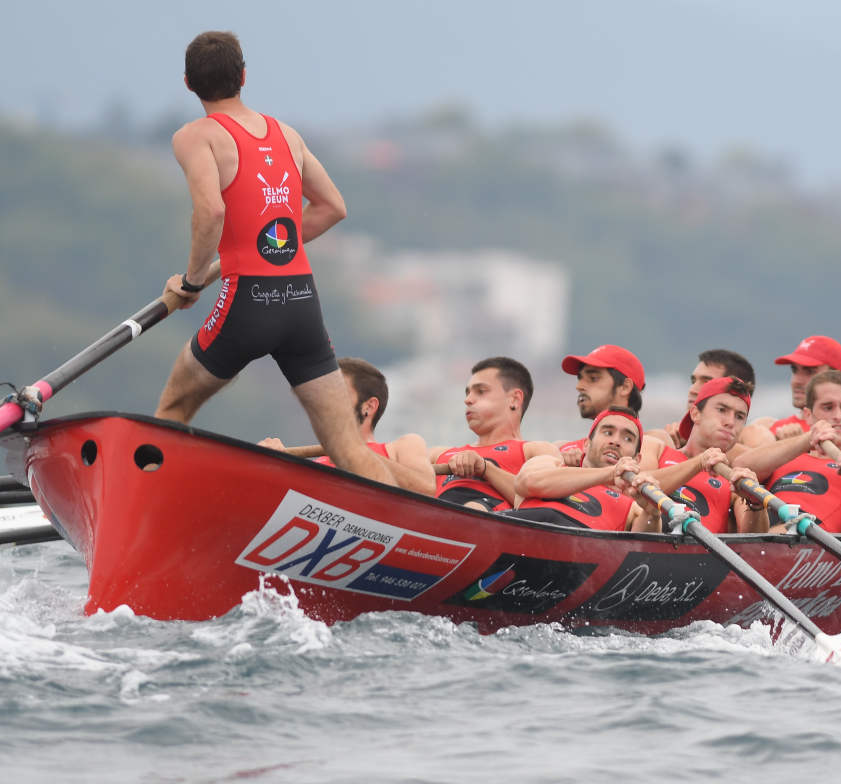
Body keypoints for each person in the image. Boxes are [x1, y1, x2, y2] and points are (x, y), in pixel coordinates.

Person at [152, 31, 392, 486]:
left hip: (246, 303)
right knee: (347, 449)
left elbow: (211, 212)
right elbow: (331, 208)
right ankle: (418, 535)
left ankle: (152, 509)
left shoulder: (194, 136)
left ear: (187, 83)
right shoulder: (286, 134)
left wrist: (191, 281)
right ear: (244, 76)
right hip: (302, 301)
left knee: (172, 411)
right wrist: (260, 252)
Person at [737, 370, 841, 533]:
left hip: (817, 547)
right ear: (808, 415)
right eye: (828, 407)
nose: (838, 416)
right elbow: (740, 466)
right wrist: (808, 439)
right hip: (765, 540)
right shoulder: (782, 458)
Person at [259, 357, 436, 493]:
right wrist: (274, 466)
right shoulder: (316, 465)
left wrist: (353, 452)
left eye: (338, 393)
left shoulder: (403, 445)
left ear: (369, 406)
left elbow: (425, 487)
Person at [636, 377, 768, 534]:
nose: (730, 422)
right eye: (722, 410)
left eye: (739, 416)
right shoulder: (655, 447)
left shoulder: (734, 478)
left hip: (701, 556)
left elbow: (754, 542)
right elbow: (636, 488)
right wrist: (699, 463)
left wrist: (756, 504)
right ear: (695, 413)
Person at [428, 357, 562, 510]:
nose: (468, 400)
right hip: (433, 515)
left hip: (488, 517)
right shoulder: (437, 454)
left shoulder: (537, 451)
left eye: (480, 391)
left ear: (514, 399)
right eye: (468, 393)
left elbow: (549, 506)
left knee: (474, 507)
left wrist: (485, 468)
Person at [508, 406, 647, 529]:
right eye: (608, 432)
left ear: (636, 460)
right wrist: (610, 474)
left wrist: (653, 514)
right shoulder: (550, 463)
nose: (615, 441)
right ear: (586, 444)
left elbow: (645, 548)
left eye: (628, 438)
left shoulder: (634, 508)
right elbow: (528, 483)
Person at [555, 344, 649, 466]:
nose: (579, 387)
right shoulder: (562, 448)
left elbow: (644, 480)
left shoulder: (653, 443)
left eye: (593, 378)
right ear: (587, 444)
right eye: (580, 378)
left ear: (625, 387)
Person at [657, 349, 757, 448]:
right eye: (693, 381)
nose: (692, 390)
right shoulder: (660, 441)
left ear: (737, 389)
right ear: (695, 414)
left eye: (706, 382)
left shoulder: (753, 435)